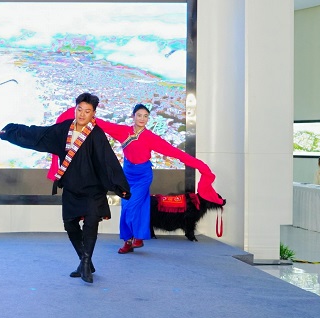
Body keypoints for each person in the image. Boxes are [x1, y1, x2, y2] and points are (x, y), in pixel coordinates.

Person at [50, 103, 223, 255]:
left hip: (143, 177)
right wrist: (76, 111)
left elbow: (175, 152)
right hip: (126, 176)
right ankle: (129, 241)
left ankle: (136, 238)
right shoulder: (123, 131)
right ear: (133, 116)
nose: (142, 118)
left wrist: (200, 165)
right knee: (126, 208)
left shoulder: (151, 137)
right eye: (139, 115)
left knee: (133, 206)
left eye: (145, 116)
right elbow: (99, 122)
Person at [0, 92, 130, 283]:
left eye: (87, 111)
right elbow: (39, 135)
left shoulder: (97, 134)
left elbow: (108, 161)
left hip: (93, 190)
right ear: (75, 109)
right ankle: (84, 262)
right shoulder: (64, 129)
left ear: (93, 113)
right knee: (70, 224)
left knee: (91, 224)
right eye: (79, 109)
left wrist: (120, 186)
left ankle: (86, 264)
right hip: (71, 186)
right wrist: (12, 132)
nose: (82, 114)